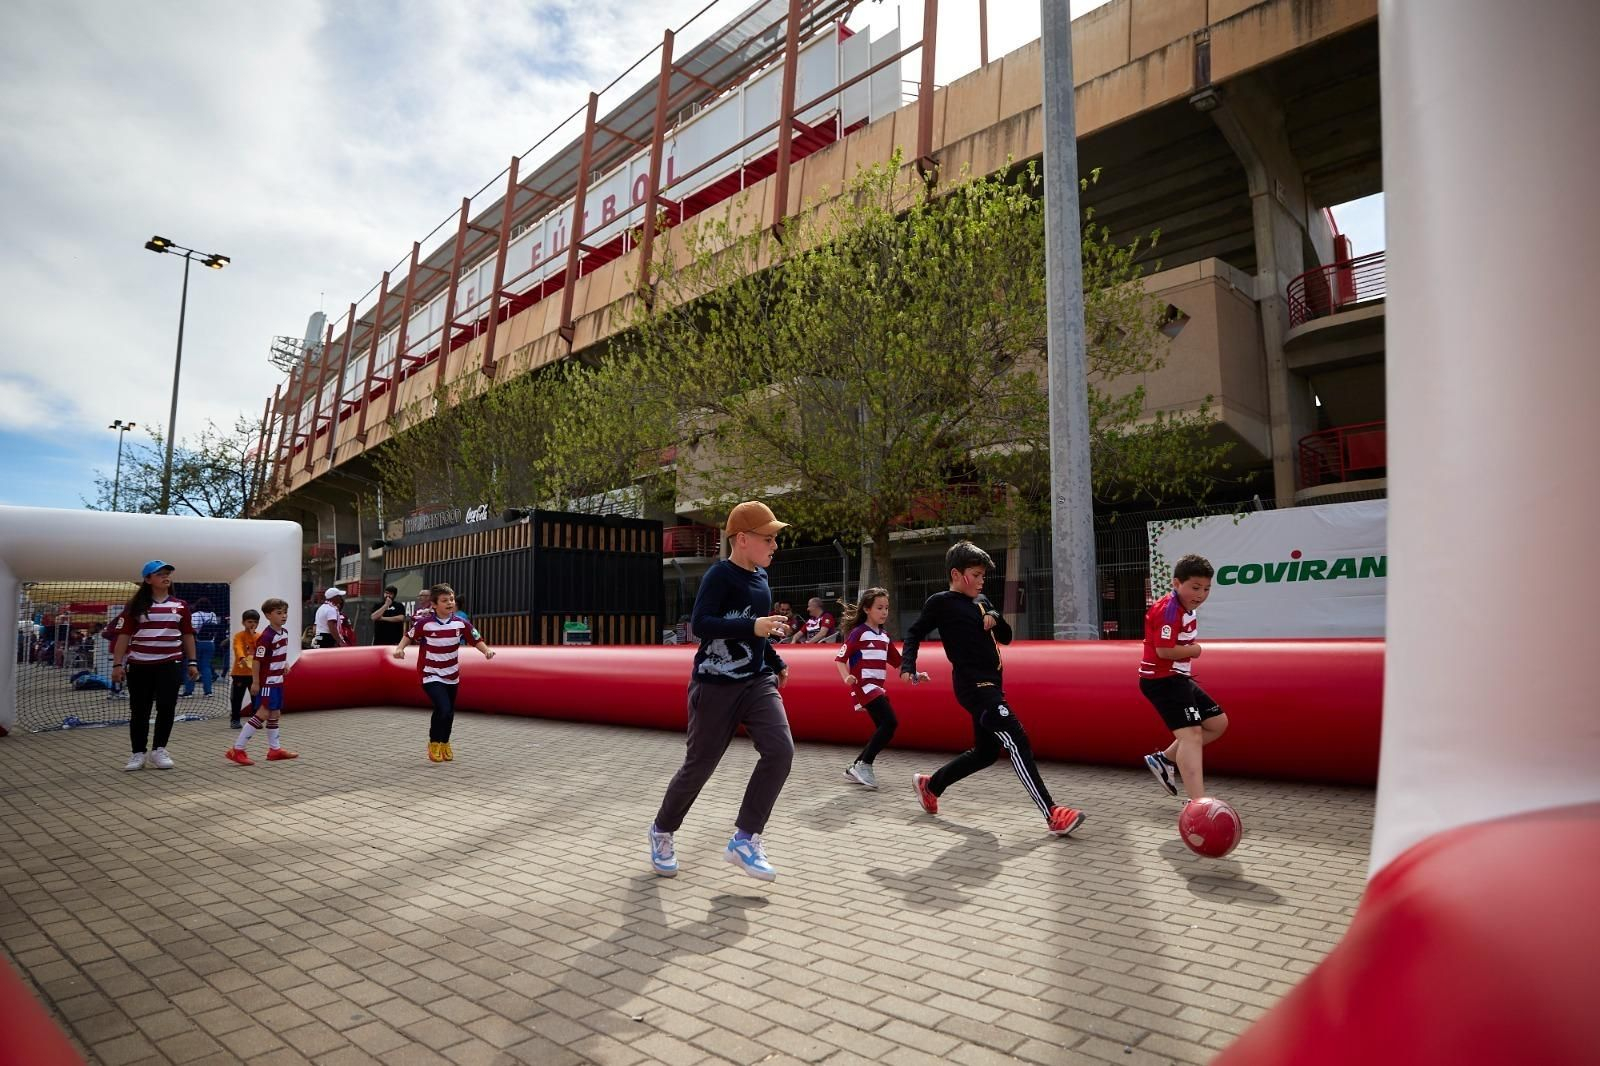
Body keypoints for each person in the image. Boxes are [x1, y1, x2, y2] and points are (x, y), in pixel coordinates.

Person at [648, 501, 795, 882]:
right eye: (769, 538)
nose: (775, 545)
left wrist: (774, 660)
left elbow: (759, 631)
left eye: (775, 538)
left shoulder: (761, 581)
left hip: (757, 680)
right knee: (699, 766)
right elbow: (702, 624)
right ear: (743, 539)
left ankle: (745, 839)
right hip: (715, 685)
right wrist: (754, 628)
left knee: (780, 751)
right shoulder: (720, 576)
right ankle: (662, 830)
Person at [901, 541, 1086, 837]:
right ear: (957, 574)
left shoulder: (982, 600)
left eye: (983, 575)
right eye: (976, 574)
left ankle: (931, 785)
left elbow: (1007, 638)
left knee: (986, 753)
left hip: (993, 685)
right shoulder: (941, 602)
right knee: (1017, 738)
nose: (982, 580)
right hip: (973, 686)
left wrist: (995, 617)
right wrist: (907, 664)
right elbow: (914, 632)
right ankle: (1052, 813)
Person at [1140, 554, 1228, 803]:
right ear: (1177, 584)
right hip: (1162, 680)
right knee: (1191, 736)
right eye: (1195, 587)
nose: (1201, 594)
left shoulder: (1185, 607)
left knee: (1217, 723)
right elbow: (1164, 651)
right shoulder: (1169, 611)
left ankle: (1164, 759)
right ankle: (1197, 803)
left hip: (1177, 678)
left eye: (1207, 588)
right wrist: (1195, 650)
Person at [834, 587, 928, 789]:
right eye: (879, 608)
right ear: (867, 609)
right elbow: (840, 659)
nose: (884, 612)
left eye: (886, 608)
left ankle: (856, 767)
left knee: (883, 728)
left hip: (876, 688)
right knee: (890, 723)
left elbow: (900, 665)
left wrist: (916, 676)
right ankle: (865, 764)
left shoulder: (884, 637)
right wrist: (846, 677)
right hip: (863, 686)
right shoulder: (858, 633)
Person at [110, 561, 200, 771]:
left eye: (167, 573)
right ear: (148, 579)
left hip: (169, 665)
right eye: (159, 574)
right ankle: (138, 753)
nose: (165, 577)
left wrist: (193, 662)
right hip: (139, 665)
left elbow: (187, 635)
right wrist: (117, 665)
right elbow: (124, 636)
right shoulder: (135, 606)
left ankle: (159, 750)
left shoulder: (181, 606)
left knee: (167, 708)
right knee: (140, 710)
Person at [392, 583, 495, 762]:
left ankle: (445, 743)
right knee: (443, 707)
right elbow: (409, 635)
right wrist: (399, 649)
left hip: (452, 673)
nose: (449, 603)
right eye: (444, 600)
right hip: (430, 673)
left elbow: (475, 638)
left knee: (448, 712)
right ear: (434, 604)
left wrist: (486, 651)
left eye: (452, 600)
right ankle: (434, 743)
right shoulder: (425, 624)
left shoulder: (460, 623)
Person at [226, 599, 296, 765]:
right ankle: (237, 749)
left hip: (278, 680)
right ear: (268, 615)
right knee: (263, 713)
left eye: (285, 612)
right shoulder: (266, 637)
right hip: (267, 682)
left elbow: (276, 655)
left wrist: (284, 664)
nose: (284, 616)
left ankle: (275, 750)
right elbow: (257, 661)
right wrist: (256, 682)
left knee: (275, 714)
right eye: (279, 613)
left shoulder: (284, 632)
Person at [183, 597, 224, 698]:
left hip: (196, 643)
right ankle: (208, 691)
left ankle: (188, 691)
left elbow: (192, 630)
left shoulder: (195, 615)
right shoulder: (212, 615)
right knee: (206, 667)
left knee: (191, 665)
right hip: (210, 643)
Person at [227, 609, 261, 729]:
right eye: (249, 621)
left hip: (254, 674)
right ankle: (235, 719)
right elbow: (238, 647)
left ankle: (256, 719)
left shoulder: (259, 636)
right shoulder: (239, 636)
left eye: (255, 622)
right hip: (240, 673)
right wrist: (241, 657)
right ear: (243, 622)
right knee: (236, 698)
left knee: (256, 698)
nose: (252, 624)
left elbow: (260, 649)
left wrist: (253, 636)